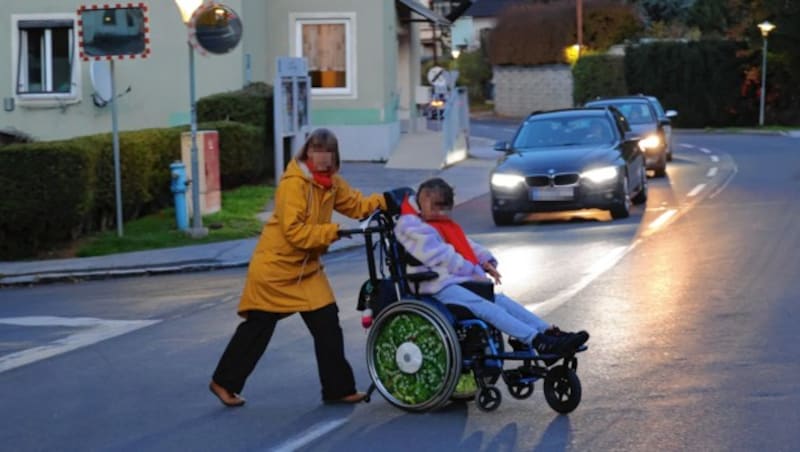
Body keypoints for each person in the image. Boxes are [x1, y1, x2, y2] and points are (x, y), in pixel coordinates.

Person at [209, 128, 387, 407]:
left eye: (328, 153)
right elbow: (294, 232)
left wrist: (387, 201)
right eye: (317, 152)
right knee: (258, 328)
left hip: (306, 270)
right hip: (275, 269)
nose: (323, 159)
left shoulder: (330, 183)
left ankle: (338, 389)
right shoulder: (294, 184)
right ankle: (223, 382)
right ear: (307, 153)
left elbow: (356, 205)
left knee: (328, 322)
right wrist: (332, 232)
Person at [394, 177, 589, 356]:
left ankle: (548, 333)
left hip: (453, 279)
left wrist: (484, 260)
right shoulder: (410, 226)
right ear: (425, 199)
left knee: (500, 301)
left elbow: (462, 242)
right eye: (438, 207)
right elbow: (443, 255)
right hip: (433, 285)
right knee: (487, 307)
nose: (442, 213)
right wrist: (473, 269)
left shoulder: (431, 218)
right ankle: (538, 341)